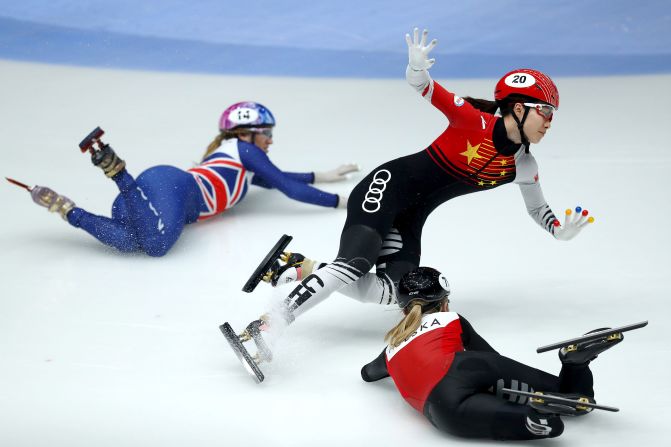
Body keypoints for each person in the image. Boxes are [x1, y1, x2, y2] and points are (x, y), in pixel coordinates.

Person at [243, 28, 595, 331]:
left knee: (395, 292)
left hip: (411, 216)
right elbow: (422, 85)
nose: (550, 121)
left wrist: (557, 231)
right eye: (545, 111)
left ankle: (296, 267)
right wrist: (416, 65)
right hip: (385, 188)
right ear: (519, 108)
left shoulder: (525, 167)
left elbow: (538, 210)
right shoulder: (472, 121)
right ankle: (266, 326)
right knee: (354, 265)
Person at [17, 102, 358, 256]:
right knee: (154, 246)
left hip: (150, 201)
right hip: (171, 191)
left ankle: (67, 209)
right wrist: (345, 202)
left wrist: (324, 175)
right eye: (266, 132)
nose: (271, 139)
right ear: (248, 134)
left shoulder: (241, 164)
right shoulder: (243, 150)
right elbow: (288, 188)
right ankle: (118, 172)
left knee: (130, 243)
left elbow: (279, 179)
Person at [360, 266, 622, 441]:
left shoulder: (391, 349)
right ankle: (573, 364)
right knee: (576, 397)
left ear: (404, 310)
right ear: (444, 301)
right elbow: (492, 357)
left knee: (551, 427)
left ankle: (535, 413)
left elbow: (368, 374)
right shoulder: (451, 318)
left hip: (441, 404)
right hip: (470, 366)